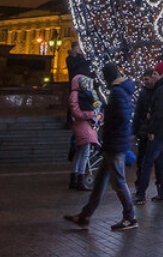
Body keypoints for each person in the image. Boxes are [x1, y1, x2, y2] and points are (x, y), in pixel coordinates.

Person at [64, 62, 137, 231]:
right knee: (99, 183)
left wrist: (107, 117)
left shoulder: (117, 93)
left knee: (118, 182)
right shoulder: (122, 91)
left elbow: (119, 118)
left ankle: (130, 218)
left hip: (115, 144)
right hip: (114, 143)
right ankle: (85, 215)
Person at [135, 61, 163, 205]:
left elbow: (159, 113)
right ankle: (162, 193)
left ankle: (141, 194)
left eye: (155, 73)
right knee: (162, 163)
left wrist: (151, 129)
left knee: (148, 163)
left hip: (159, 132)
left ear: (161, 74)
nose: (152, 75)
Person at [69, 75, 101, 190]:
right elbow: (77, 112)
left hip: (84, 126)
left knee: (80, 153)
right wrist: (93, 114)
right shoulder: (76, 94)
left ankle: (74, 179)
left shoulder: (77, 94)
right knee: (84, 153)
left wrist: (98, 116)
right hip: (84, 126)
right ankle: (80, 180)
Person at [132, 69, 156, 191]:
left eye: (146, 79)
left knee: (149, 162)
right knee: (142, 160)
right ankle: (139, 186)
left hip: (152, 132)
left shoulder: (158, 91)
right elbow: (138, 112)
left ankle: (142, 189)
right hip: (144, 131)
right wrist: (135, 131)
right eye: (143, 79)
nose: (144, 82)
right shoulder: (143, 92)